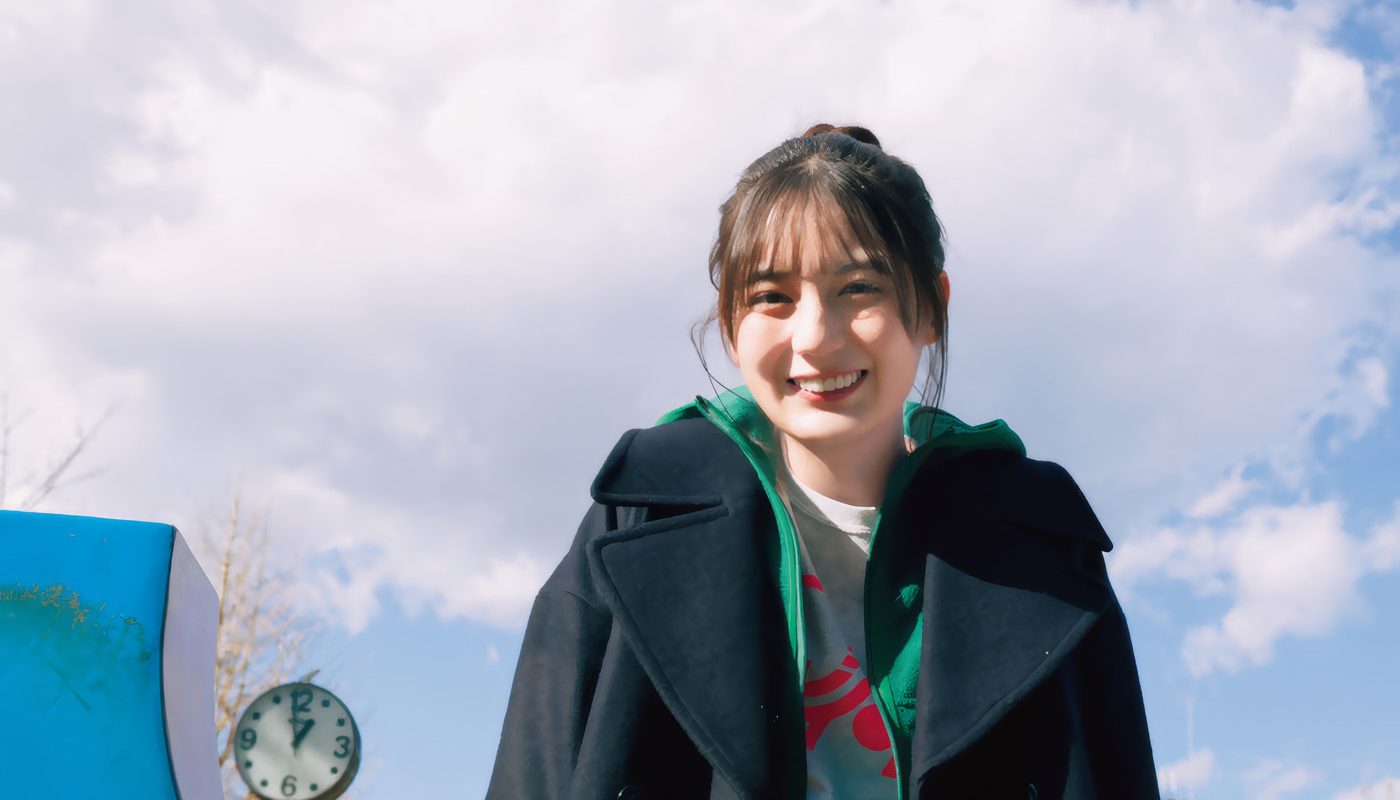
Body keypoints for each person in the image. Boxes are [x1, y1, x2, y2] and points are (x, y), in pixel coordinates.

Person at [487, 124, 1160, 799]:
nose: (814, 337)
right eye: (771, 297)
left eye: (859, 287)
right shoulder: (638, 516)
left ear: (932, 307)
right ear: (731, 326)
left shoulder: (1043, 544)